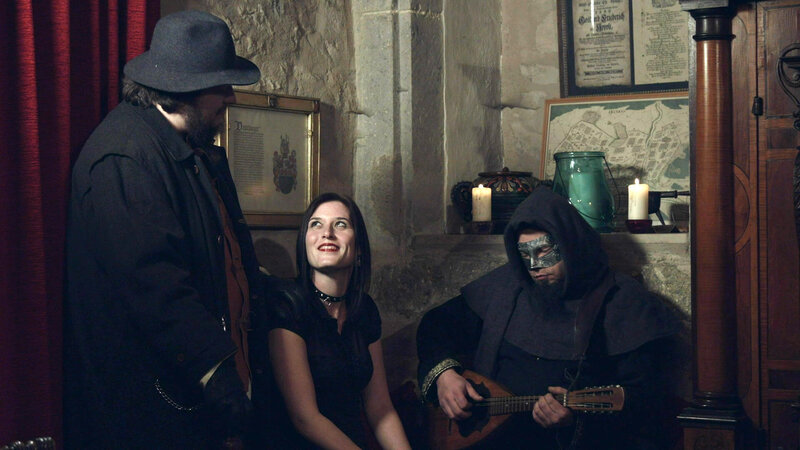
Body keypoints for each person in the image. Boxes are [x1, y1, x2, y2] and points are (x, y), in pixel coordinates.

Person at [64, 10, 264, 448]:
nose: (231, 97)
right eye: (221, 86)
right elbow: (154, 285)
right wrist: (216, 373)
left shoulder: (194, 151)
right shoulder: (124, 157)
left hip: (193, 405)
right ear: (183, 89)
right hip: (151, 415)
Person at [417, 187, 682, 449]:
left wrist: (575, 422)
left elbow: (644, 403)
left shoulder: (624, 302)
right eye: (524, 254)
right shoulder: (505, 286)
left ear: (570, 244)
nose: (534, 266)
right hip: (490, 439)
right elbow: (436, 326)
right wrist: (445, 376)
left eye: (543, 250)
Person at [250, 193, 411, 449]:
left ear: (358, 247)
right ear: (305, 242)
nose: (327, 233)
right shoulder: (286, 304)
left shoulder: (364, 309)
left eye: (340, 224)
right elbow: (305, 418)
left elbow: (380, 407)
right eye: (316, 224)